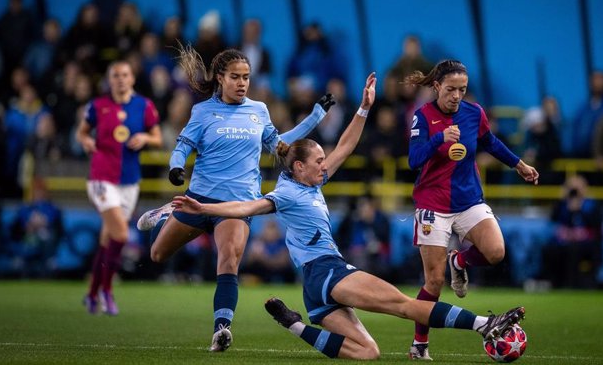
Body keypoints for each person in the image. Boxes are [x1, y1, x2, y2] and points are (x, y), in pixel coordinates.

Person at [172, 73, 525, 359]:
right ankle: (484, 323)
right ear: (298, 166)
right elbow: (246, 207)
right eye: (318, 161)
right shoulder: (287, 193)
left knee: (367, 352)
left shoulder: (310, 182)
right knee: (404, 305)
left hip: (314, 291)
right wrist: (205, 208)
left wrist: (363, 109)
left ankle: (294, 324)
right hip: (327, 271)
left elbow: (346, 146)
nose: (325, 164)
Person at [135, 46, 335, 352]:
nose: (242, 83)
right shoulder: (202, 111)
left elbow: (283, 146)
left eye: (246, 77)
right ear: (220, 78)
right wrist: (176, 167)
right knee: (158, 255)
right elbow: (183, 145)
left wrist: (316, 115)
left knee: (228, 259)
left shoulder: (259, 111)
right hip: (198, 199)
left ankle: (221, 329)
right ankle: (166, 214)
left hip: (236, 206)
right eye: (235, 77)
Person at [404, 59, 539, 359]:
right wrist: (440, 138)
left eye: (462, 90)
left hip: (468, 200)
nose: (456, 96)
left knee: (496, 252)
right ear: (437, 86)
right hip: (433, 204)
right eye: (451, 89)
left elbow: (489, 142)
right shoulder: (422, 117)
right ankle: (419, 345)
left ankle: (460, 261)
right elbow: (414, 160)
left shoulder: (473, 112)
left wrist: (519, 165)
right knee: (434, 282)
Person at [75, 60, 162, 315]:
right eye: (115, 75)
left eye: (125, 74)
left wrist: (145, 137)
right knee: (121, 235)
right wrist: (86, 141)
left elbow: (157, 137)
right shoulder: (98, 106)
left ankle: (92, 294)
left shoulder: (144, 106)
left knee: (107, 238)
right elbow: (82, 132)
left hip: (130, 181)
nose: (121, 79)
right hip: (102, 178)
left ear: (132, 79)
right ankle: (107, 291)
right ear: (109, 80)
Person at [539, 175, 603, 288]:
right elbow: (553, 219)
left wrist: (580, 210)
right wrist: (566, 203)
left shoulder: (592, 205)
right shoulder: (562, 204)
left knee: (574, 250)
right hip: (565, 241)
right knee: (550, 249)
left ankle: (572, 283)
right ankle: (553, 281)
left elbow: (597, 224)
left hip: (587, 243)